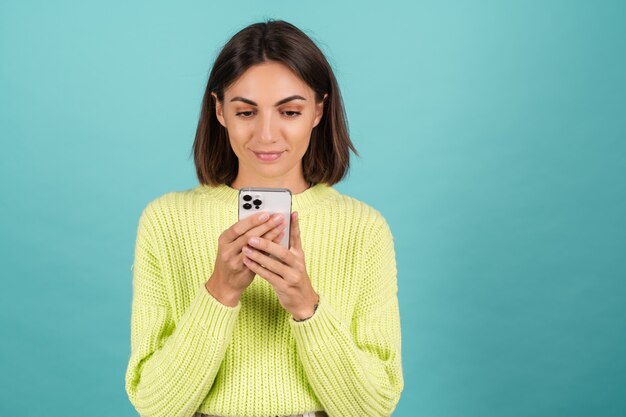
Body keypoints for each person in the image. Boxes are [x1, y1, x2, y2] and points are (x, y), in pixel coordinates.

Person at [124, 19, 403, 417]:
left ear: (319, 111)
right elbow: (153, 404)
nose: (267, 135)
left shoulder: (364, 229)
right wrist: (220, 293)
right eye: (246, 111)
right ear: (219, 111)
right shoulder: (165, 221)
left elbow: (375, 406)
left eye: (289, 111)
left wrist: (307, 307)